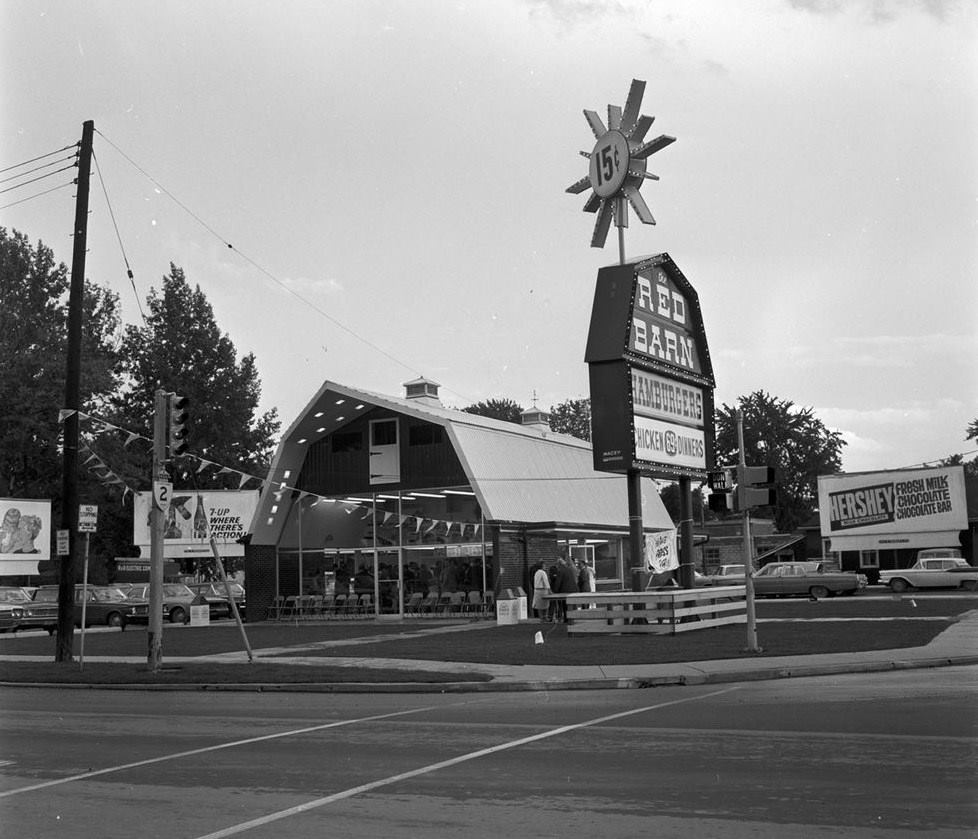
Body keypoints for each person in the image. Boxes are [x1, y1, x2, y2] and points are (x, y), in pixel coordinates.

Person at [553, 555, 579, 622]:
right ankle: (573, 618)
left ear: (559, 564)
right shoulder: (569, 569)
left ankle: (567, 619)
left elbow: (558, 582)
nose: (557, 566)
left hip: (565, 592)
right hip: (573, 590)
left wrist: (555, 591)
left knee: (565, 606)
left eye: (557, 564)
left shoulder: (561, 571)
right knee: (572, 605)